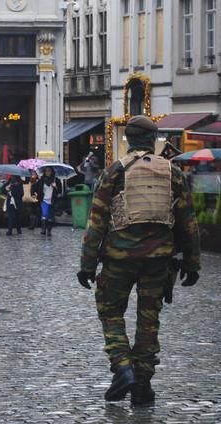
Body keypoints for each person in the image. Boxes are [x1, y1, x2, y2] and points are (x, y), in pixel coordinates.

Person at [77, 115, 201, 405]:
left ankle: (123, 368)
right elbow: (187, 222)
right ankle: (142, 384)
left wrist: (87, 264)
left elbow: (96, 222)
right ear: (153, 139)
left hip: (119, 258)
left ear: (129, 140)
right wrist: (192, 262)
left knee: (110, 311)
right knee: (149, 320)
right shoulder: (173, 173)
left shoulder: (114, 172)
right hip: (159, 260)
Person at [34, 167, 62, 236]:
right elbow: (36, 188)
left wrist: (56, 187)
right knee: (44, 214)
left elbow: (60, 191)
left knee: (50, 217)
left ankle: (49, 231)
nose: (47, 172)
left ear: (52, 172)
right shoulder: (42, 180)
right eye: (46, 171)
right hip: (44, 200)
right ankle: (43, 229)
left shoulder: (56, 180)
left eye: (49, 171)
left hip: (52, 201)